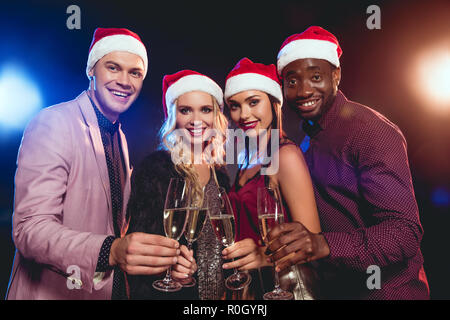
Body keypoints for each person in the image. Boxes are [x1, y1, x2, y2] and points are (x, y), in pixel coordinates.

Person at [7, 28, 180, 300]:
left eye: (135, 73)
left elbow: (113, 228)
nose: (124, 81)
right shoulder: (54, 122)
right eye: (113, 68)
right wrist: (110, 250)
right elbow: (30, 229)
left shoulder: (119, 137)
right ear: (92, 70)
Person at [266, 26, 430, 299]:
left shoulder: (370, 131)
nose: (304, 90)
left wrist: (322, 244)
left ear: (336, 75)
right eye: (292, 82)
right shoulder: (305, 141)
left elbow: (404, 233)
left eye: (315, 77)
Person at [126, 70, 230, 300]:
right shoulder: (156, 168)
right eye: (185, 110)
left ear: (217, 115)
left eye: (205, 109)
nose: (196, 120)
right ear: (174, 117)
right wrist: (171, 267)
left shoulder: (220, 176)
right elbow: (139, 248)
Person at [222, 58, 321, 299]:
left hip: (285, 289)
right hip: (253, 288)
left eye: (253, 102)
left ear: (274, 102)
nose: (244, 114)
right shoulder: (246, 158)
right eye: (235, 106)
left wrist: (263, 254)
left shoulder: (285, 155)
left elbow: (311, 240)